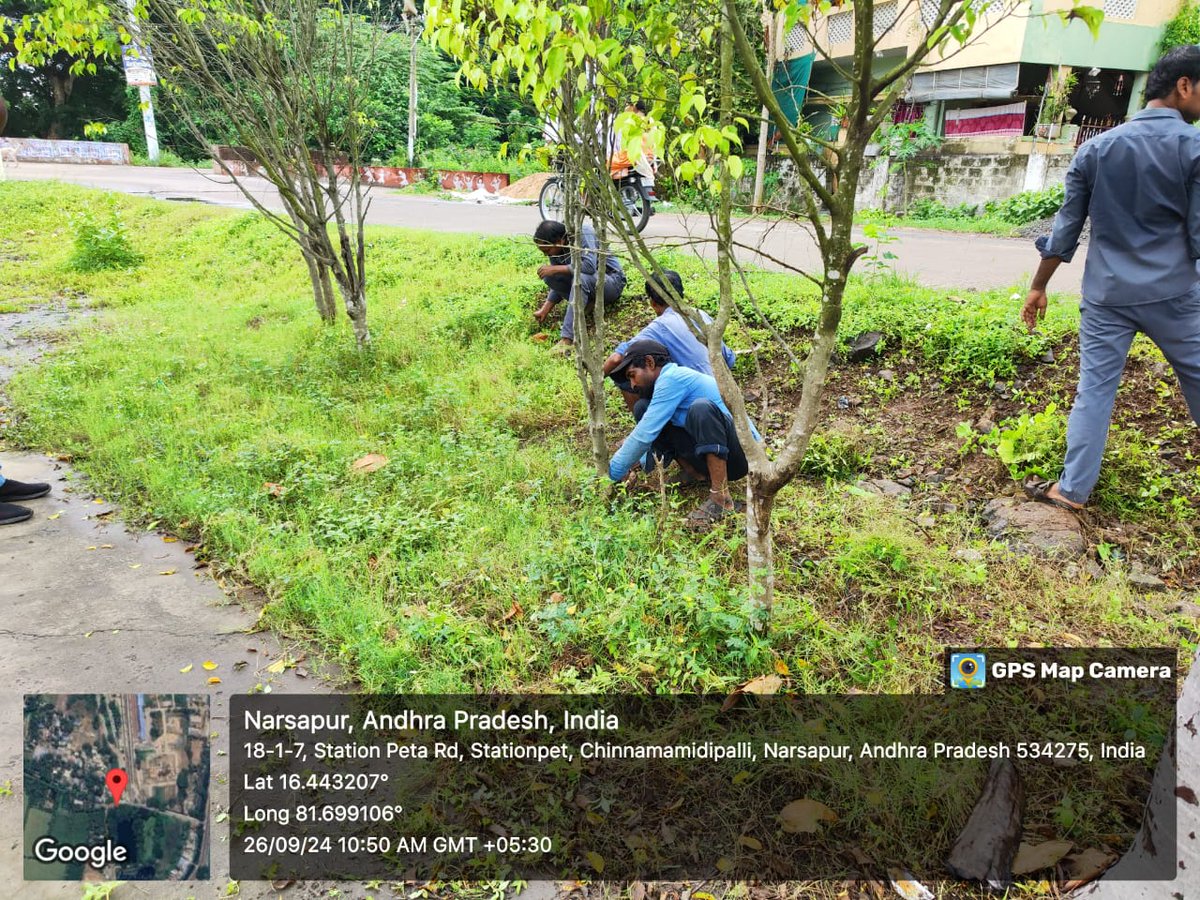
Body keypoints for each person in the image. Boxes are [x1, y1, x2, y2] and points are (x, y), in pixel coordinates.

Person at [1020, 46, 1200, 513]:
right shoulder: (1194, 147)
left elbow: (1064, 232)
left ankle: (1071, 491)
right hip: (1176, 294)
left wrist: (1038, 286)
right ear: (1184, 85)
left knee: (1095, 391)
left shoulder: (1095, 149)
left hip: (1106, 297)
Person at [608, 339, 759, 528]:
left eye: (633, 375)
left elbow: (644, 434)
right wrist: (635, 464)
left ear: (649, 363)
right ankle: (694, 473)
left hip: (743, 455)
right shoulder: (663, 386)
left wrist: (611, 473)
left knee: (701, 409)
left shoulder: (673, 378)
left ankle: (721, 499)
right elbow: (650, 430)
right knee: (642, 407)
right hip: (718, 450)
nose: (632, 385)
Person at [604, 269, 736, 412]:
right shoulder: (701, 315)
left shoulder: (660, 326)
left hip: (696, 405)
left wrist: (595, 380)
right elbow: (728, 359)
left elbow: (616, 359)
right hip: (725, 397)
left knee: (627, 374)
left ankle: (650, 421)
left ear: (653, 302)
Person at [533, 220, 627, 349]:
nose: (546, 254)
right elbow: (559, 276)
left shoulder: (583, 233)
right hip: (591, 284)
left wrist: (555, 269)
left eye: (547, 250)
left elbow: (589, 267)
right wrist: (545, 309)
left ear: (559, 241)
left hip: (611, 282)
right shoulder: (556, 248)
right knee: (550, 276)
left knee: (580, 278)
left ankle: (567, 339)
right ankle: (588, 303)